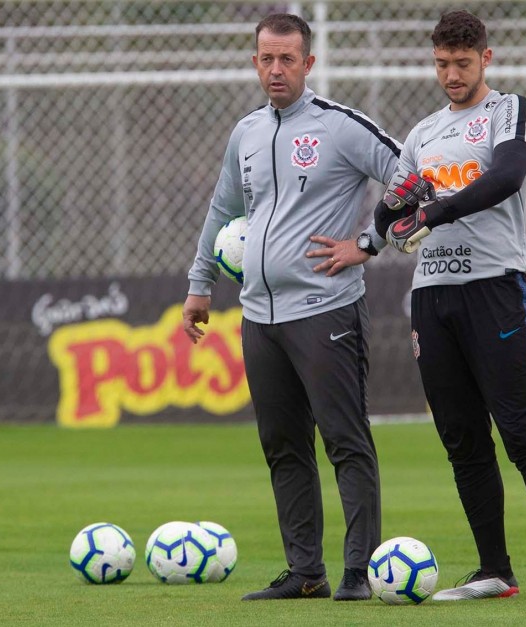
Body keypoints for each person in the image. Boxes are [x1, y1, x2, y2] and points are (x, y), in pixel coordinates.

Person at [372, 10, 526, 603]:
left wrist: (434, 208)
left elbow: (507, 177)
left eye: (462, 64)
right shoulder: (421, 134)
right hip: (430, 297)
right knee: (462, 440)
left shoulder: (509, 110)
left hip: (493, 287)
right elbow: (389, 217)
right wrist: (394, 211)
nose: (451, 74)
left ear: (486, 59)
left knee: (522, 434)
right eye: (442, 63)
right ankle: (495, 570)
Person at [182, 13, 401, 601]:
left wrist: (369, 243)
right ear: (255, 62)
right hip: (260, 317)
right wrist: (200, 284)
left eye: (287, 59)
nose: (275, 69)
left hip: (327, 310)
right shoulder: (247, 132)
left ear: (308, 64)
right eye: (266, 58)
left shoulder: (341, 127)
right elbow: (220, 209)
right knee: (283, 447)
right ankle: (306, 572)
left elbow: (409, 175)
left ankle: (360, 572)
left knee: (345, 440)